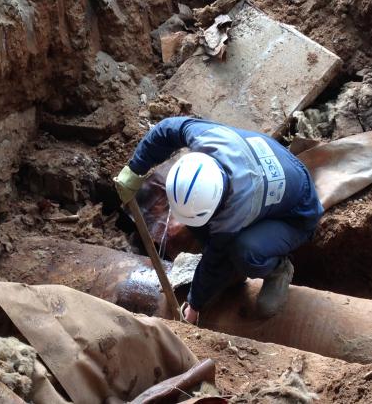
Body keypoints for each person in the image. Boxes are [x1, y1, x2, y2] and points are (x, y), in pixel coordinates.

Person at [114, 117, 324, 324]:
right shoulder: (205, 138)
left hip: (295, 214)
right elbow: (166, 129)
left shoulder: (239, 205)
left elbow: (216, 258)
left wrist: (195, 303)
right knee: (208, 232)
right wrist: (135, 169)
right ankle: (234, 272)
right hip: (274, 171)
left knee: (245, 251)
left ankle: (279, 268)